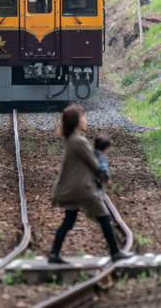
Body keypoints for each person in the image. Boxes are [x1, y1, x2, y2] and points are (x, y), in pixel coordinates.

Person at [48, 106, 132, 264]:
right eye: (82, 118)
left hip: (73, 188)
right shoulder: (79, 141)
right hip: (82, 188)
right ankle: (115, 252)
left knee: (69, 220)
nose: (85, 120)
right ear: (75, 122)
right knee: (104, 215)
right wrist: (104, 176)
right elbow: (94, 164)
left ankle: (54, 253)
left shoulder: (72, 139)